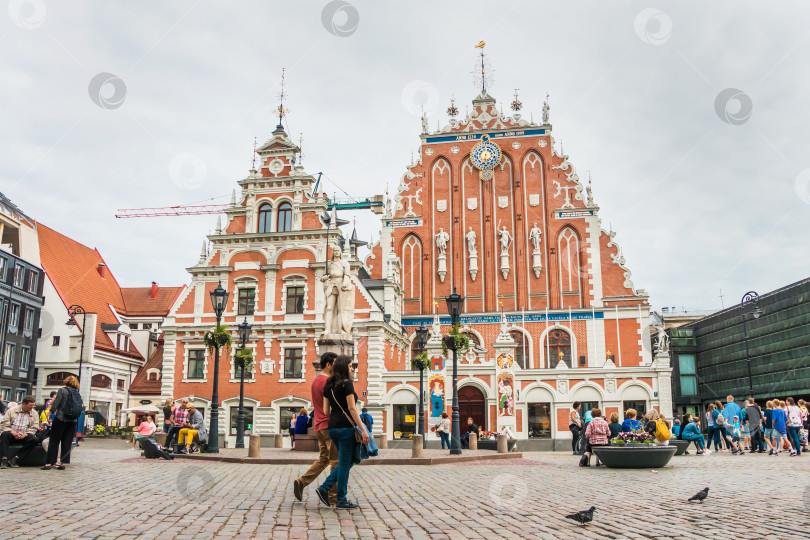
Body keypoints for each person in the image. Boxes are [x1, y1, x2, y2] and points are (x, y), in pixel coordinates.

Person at [316, 355, 370, 509]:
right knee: (345, 463)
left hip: (332, 428)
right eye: (350, 366)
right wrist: (363, 429)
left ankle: (330, 491)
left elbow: (326, 411)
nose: (352, 369)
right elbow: (352, 409)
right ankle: (337, 496)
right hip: (346, 428)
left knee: (349, 460)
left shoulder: (328, 385)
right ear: (344, 366)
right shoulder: (348, 384)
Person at [293, 352, 338, 504]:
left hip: (318, 425)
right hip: (329, 425)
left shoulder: (316, 381)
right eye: (335, 364)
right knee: (336, 461)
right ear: (328, 364)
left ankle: (302, 482)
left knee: (324, 459)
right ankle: (332, 496)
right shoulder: (328, 381)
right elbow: (331, 406)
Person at [43, 375, 82, 470]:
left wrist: (50, 412)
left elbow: (57, 403)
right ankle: (62, 463)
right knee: (66, 442)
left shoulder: (62, 390)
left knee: (54, 441)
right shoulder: (77, 393)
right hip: (72, 420)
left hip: (61, 418)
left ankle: (49, 463)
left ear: (66, 381)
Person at [0, 396, 40, 468]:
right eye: (30, 405)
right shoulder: (11, 411)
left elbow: (34, 427)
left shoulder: (34, 413)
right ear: (24, 404)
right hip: (11, 433)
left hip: (24, 434)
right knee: (4, 435)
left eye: (33, 405)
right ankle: (4, 459)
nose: (32, 407)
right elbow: (4, 424)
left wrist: (25, 434)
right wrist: (12, 431)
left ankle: (16, 458)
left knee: (34, 439)